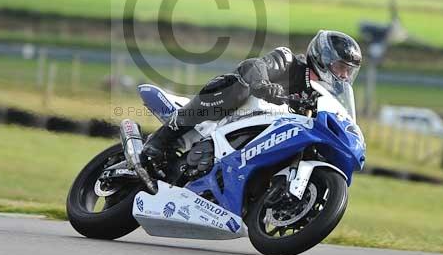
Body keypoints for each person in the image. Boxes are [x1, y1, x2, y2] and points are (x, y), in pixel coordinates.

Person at [141, 29, 362, 165]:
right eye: (340, 67)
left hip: (265, 136)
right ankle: (159, 142)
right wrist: (263, 84)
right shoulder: (290, 62)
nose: (343, 75)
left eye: (348, 71)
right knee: (238, 88)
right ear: (323, 58)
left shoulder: (321, 98)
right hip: (234, 113)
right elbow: (255, 65)